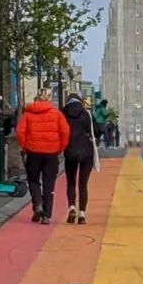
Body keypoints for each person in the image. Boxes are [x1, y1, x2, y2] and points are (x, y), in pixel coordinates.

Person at [16, 88, 69, 224]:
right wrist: (60, 148)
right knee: (49, 183)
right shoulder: (57, 114)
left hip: (33, 152)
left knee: (33, 179)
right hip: (51, 153)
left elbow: (20, 132)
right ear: (49, 98)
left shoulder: (28, 114)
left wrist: (25, 146)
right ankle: (46, 215)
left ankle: (38, 204)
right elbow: (65, 132)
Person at [62, 93, 98, 225]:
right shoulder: (86, 114)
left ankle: (72, 207)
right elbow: (97, 130)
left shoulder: (63, 114)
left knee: (71, 182)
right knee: (83, 184)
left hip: (70, 151)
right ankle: (82, 214)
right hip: (86, 152)